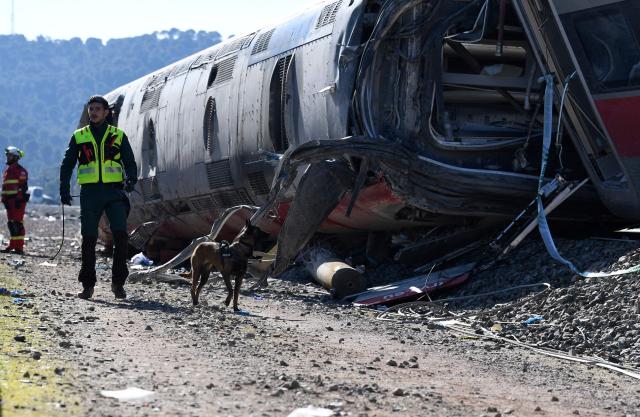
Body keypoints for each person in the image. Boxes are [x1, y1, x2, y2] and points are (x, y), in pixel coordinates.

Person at [60, 95, 137, 300]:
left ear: (105, 112)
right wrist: (64, 189)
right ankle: (88, 285)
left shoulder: (118, 135)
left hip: (114, 192)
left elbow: (129, 162)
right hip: (90, 194)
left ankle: (118, 283)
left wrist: (132, 179)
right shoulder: (79, 136)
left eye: (97, 109)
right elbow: (67, 164)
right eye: (90, 109)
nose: (92, 112)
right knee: (89, 240)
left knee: (121, 237)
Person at [1, 146, 29, 254]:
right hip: (9, 202)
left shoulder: (21, 171)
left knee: (18, 224)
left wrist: (18, 199)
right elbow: (5, 187)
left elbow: (23, 186)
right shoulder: (7, 171)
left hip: (18, 201)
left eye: (10, 156)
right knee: (11, 224)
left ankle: (19, 248)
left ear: (16, 157)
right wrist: (4, 200)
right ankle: (12, 245)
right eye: (7, 156)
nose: (7, 158)